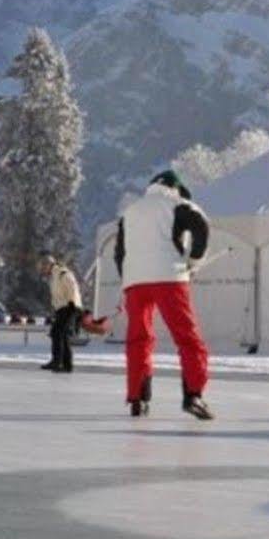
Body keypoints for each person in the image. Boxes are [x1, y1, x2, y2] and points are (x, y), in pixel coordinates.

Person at [114, 169, 213, 419]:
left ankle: (138, 398)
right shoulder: (178, 204)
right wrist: (193, 261)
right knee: (187, 338)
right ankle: (193, 395)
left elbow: (119, 252)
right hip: (169, 278)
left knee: (139, 340)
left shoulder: (130, 212)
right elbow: (202, 225)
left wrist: (128, 277)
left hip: (135, 282)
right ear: (176, 188)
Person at [39, 252, 83, 373]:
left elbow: (72, 287)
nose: (43, 270)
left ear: (49, 265)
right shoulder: (54, 276)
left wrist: (72, 304)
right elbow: (57, 296)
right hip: (62, 308)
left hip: (69, 306)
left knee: (58, 333)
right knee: (60, 334)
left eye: (44, 266)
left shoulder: (62, 273)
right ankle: (65, 364)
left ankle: (58, 362)